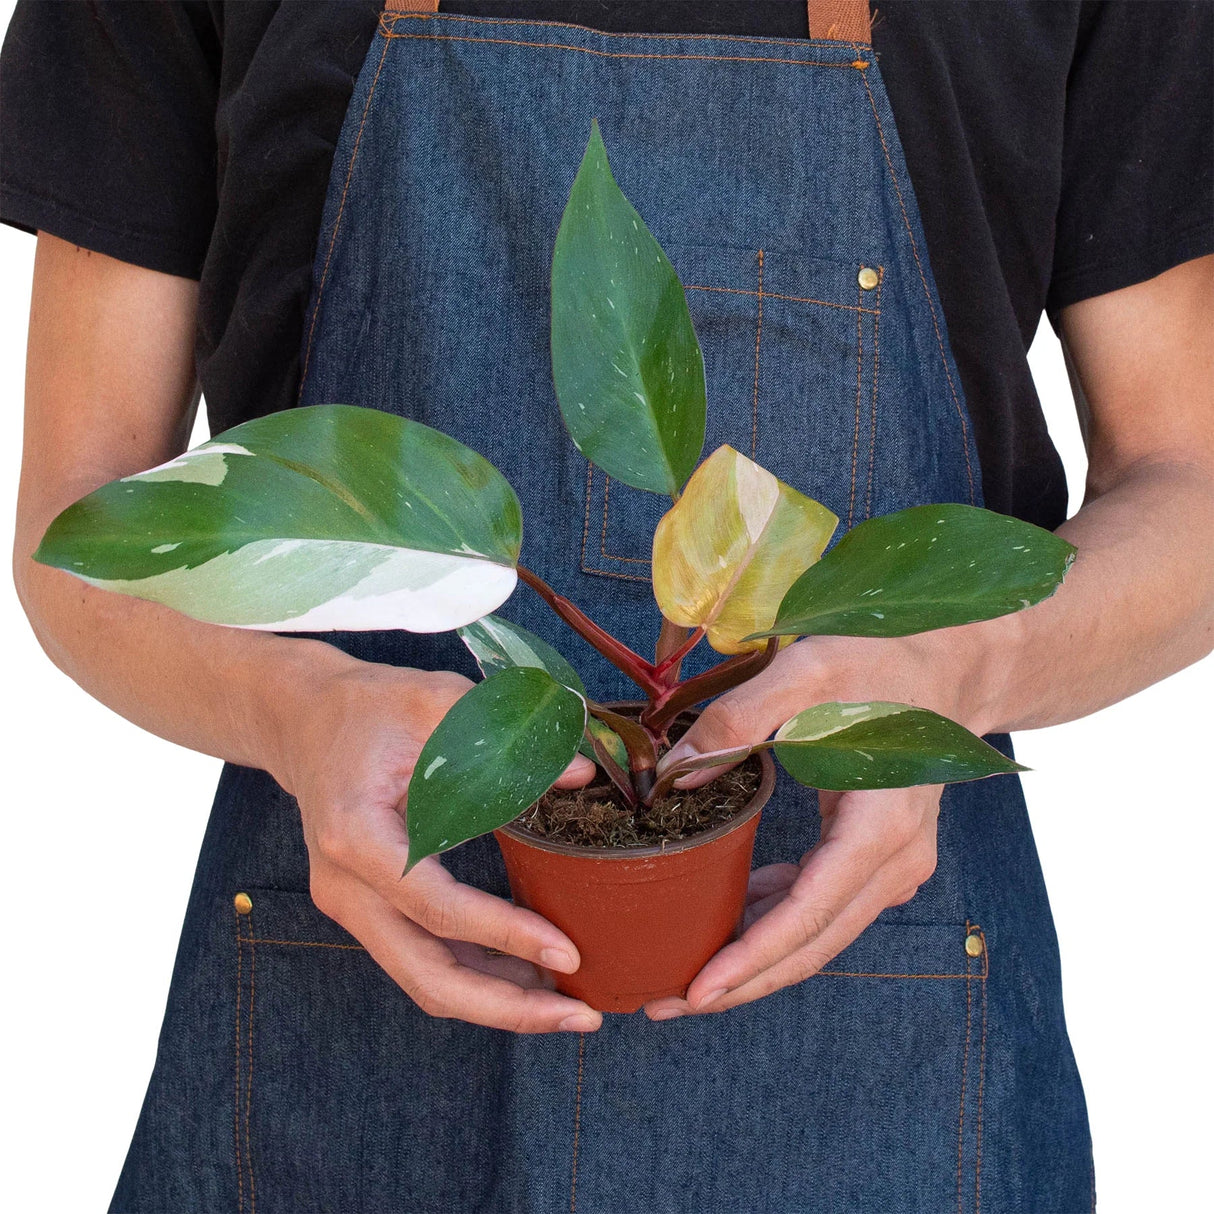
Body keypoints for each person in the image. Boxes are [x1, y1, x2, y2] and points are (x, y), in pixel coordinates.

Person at [2, 0, 1210, 1210]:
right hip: (348, 1018)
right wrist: (296, 708)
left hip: (887, 1042)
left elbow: (1186, 483)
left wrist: (955, 672)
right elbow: (81, 526)